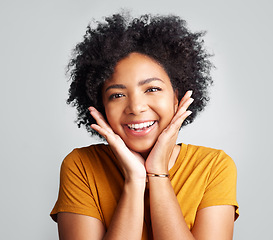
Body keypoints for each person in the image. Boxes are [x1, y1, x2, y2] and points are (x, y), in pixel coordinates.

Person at [50, 12, 239, 240]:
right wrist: (134, 180)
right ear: (101, 107)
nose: (136, 107)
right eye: (117, 95)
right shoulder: (81, 167)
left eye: (152, 89)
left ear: (177, 97)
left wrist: (158, 173)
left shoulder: (213, 168)